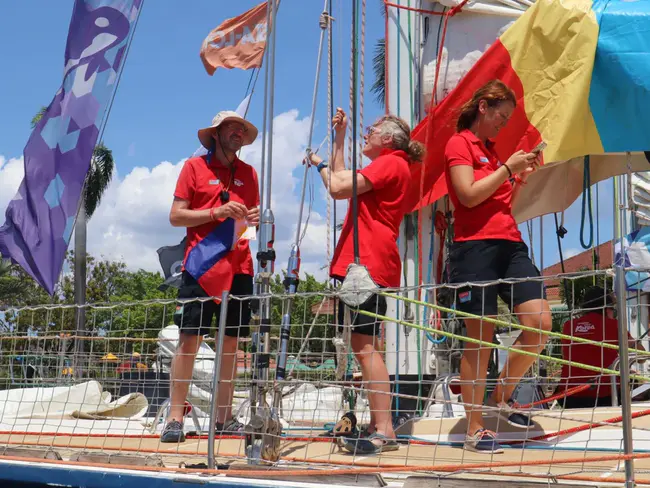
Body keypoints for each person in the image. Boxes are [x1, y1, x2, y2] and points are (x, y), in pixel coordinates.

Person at [307, 108, 425, 454]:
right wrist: (339, 138)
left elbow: (337, 186)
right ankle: (379, 423)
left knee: (365, 347)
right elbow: (343, 180)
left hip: (367, 266)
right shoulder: (393, 164)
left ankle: (384, 427)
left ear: (387, 140)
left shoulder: (390, 162)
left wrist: (317, 163)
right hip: (370, 265)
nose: (367, 133)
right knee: (364, 345)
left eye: (372, 130)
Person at [444, 79, 552, 454]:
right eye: (500, 116)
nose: (503, 124)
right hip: (474, 249)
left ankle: (500, 396)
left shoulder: (491, 153)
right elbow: (469, 196)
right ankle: (475, 428)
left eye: (508, 118)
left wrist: (520, 176)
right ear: (483, 108)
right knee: (479, 339)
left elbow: (504, 205)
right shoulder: (460, 143)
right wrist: (508, 168)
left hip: (509, 242)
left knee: (539, 324)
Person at [161, 111, 260, 443]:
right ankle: (175, 417)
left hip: (241, 268)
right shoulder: (194, 167)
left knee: (231, 346)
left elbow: (251, 225)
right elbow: (176, 216)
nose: (238, 133)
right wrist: (215, 212)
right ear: (216, 134)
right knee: (189, 341)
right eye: (231, 128)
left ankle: (224, 418)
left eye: (242, 129)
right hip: (201, 267)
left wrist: (255, 219)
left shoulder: (250, 173)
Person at [557, 286, 645, 409]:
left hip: (570, 395)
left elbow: (566, 355)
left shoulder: (568, 326)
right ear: (607, 308)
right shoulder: (614, 325)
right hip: (603, 396)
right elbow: (641, 356)